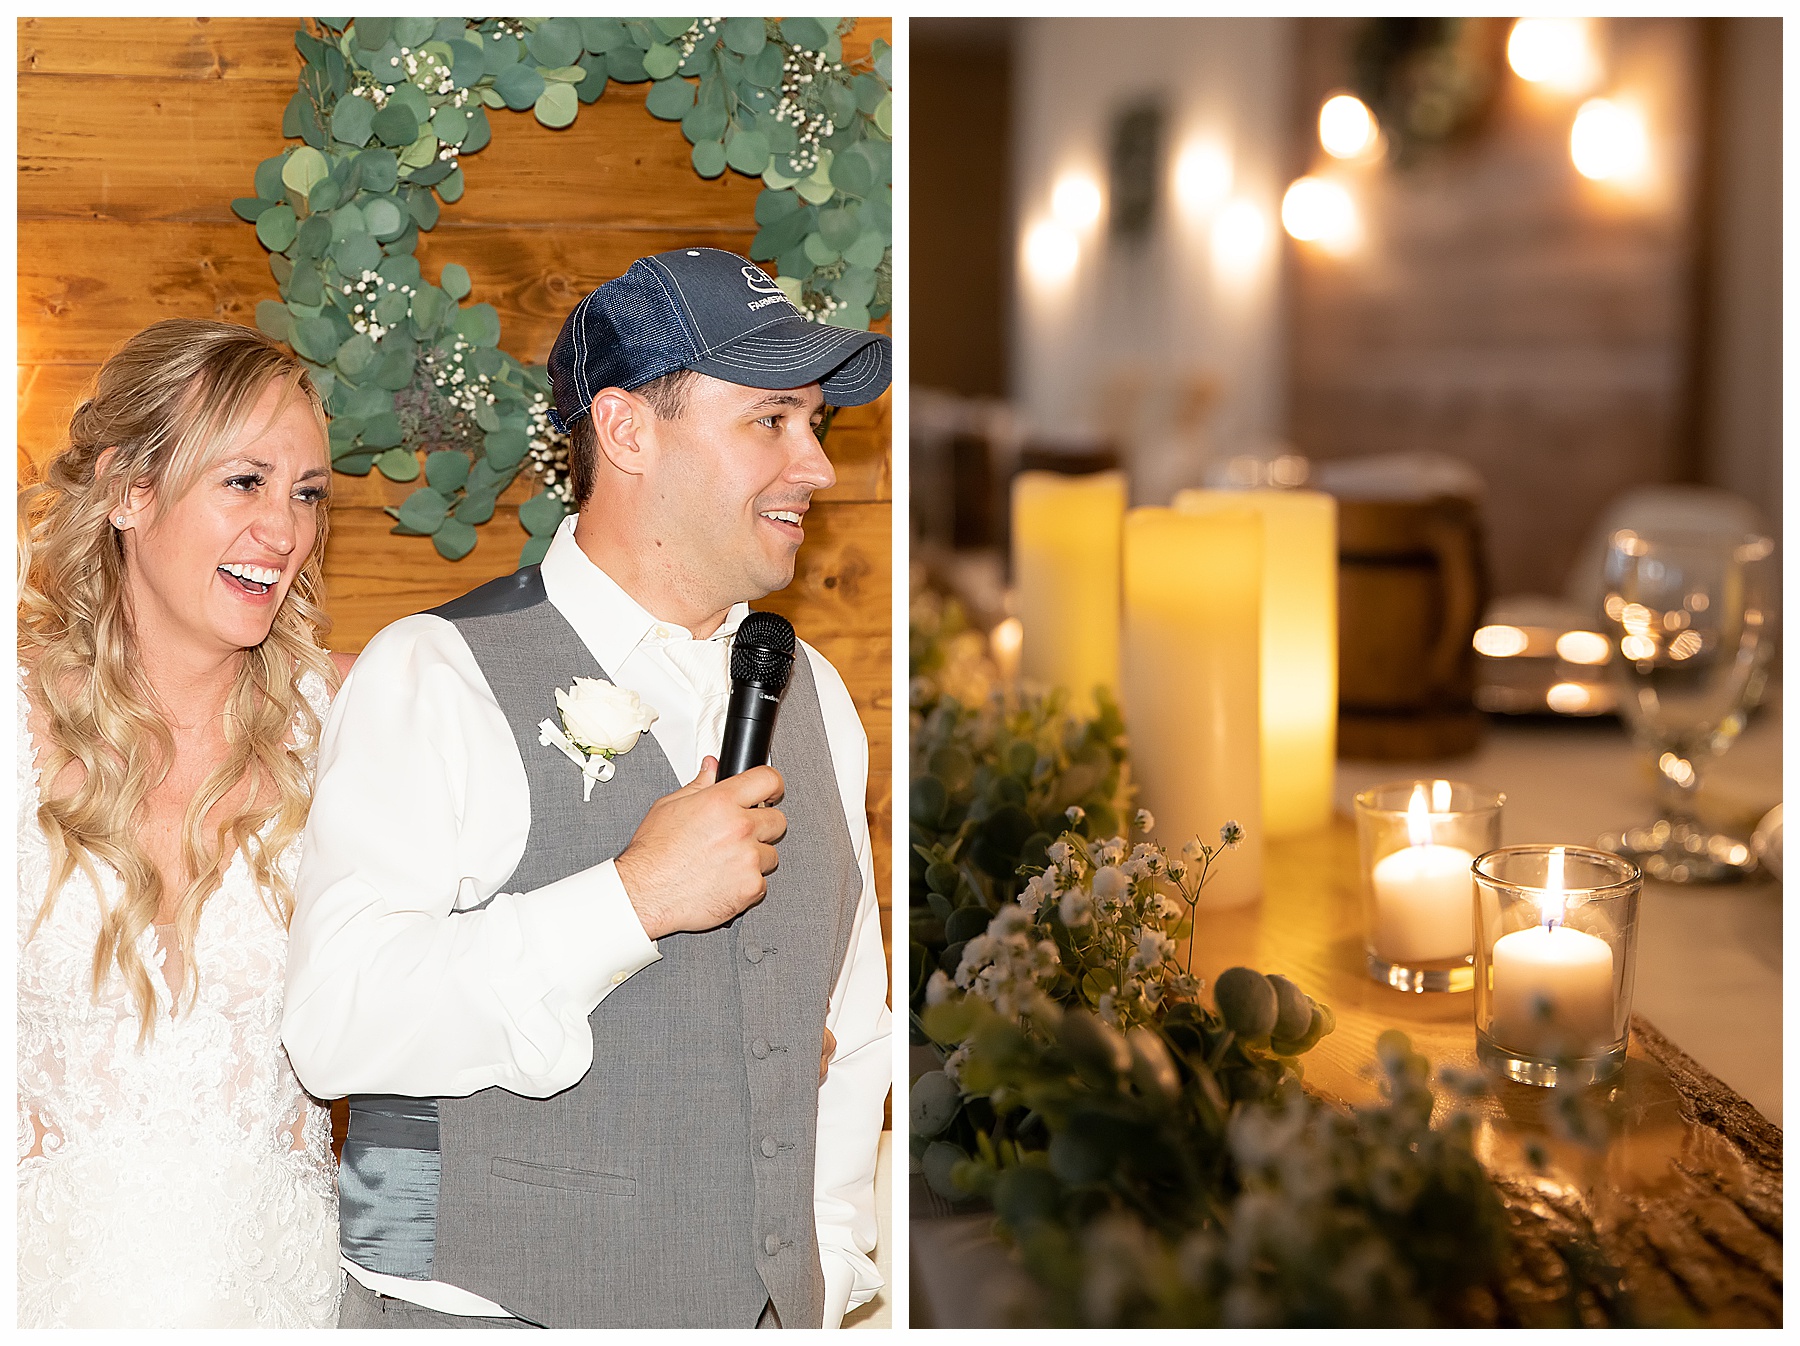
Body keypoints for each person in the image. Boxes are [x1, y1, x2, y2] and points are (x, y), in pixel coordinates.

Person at [283, 247, 894, 1329]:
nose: (817, 466)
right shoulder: (435, 673)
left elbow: (854, 1027)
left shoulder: (819, 695)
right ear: (625, 431)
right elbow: (336, 1022)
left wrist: (830, 1266)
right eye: (771, 420)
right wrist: (630, 897)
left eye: (816, 423)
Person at [17, 319, 351, 1327]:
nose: (285, 531)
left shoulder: (350, 726)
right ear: (128, 490)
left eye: (306, 493)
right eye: (244, 482)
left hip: (280, 1301)